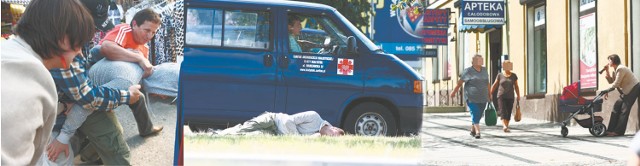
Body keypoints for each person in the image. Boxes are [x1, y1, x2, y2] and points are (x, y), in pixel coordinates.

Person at [1, 0, 95, 164]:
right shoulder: (31, 80)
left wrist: (63, 106)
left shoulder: (9, 53)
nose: (80, 53)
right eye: (79, 43)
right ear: (64, 38)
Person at [451, 54, 491, 139]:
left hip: (483, 97)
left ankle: (473, 129)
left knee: (479, 114)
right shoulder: (468, 71)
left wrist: (490, 94)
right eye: (478, 60)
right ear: (473, 62)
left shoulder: (484, 70)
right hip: (471, 97)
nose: (480, 61)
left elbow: (487, 83)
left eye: (481, 60)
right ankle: (478, 132)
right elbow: (460, 83)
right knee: (475, 112)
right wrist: (454, 91)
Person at [215, 111, 345, 136]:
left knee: (247, 136)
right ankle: (216, 134)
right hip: (274, 119)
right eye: (333, 134)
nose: (329, 137)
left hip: (276, 133)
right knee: (245, 128)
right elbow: (288, 121)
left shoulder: (317, 137)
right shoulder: (314, 116)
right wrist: (298, 139)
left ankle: (219, 134)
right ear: (333, 127)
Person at [602, 54, 640, 137]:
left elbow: (616, 83)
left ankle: (618, 132)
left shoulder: (621, 69)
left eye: (609, 60)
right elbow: (611, 82)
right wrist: (607, 71)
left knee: (624, 110)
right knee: (616, 107)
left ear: (613, 61)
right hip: (626, 91)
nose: (608, 62)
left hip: (633, 88)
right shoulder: (615, 70)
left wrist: (606, 91)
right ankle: (611, 130)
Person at [490, 60, 521, 133]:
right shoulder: (500, 75)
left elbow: (516, 86)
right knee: (503, 111)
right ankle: (504, 126)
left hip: (510, 97)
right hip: (501, 96)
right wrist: (490, 93)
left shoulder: (514, 76)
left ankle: (506, 126)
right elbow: (495, 85)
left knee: (509, 112)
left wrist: (518, 95)